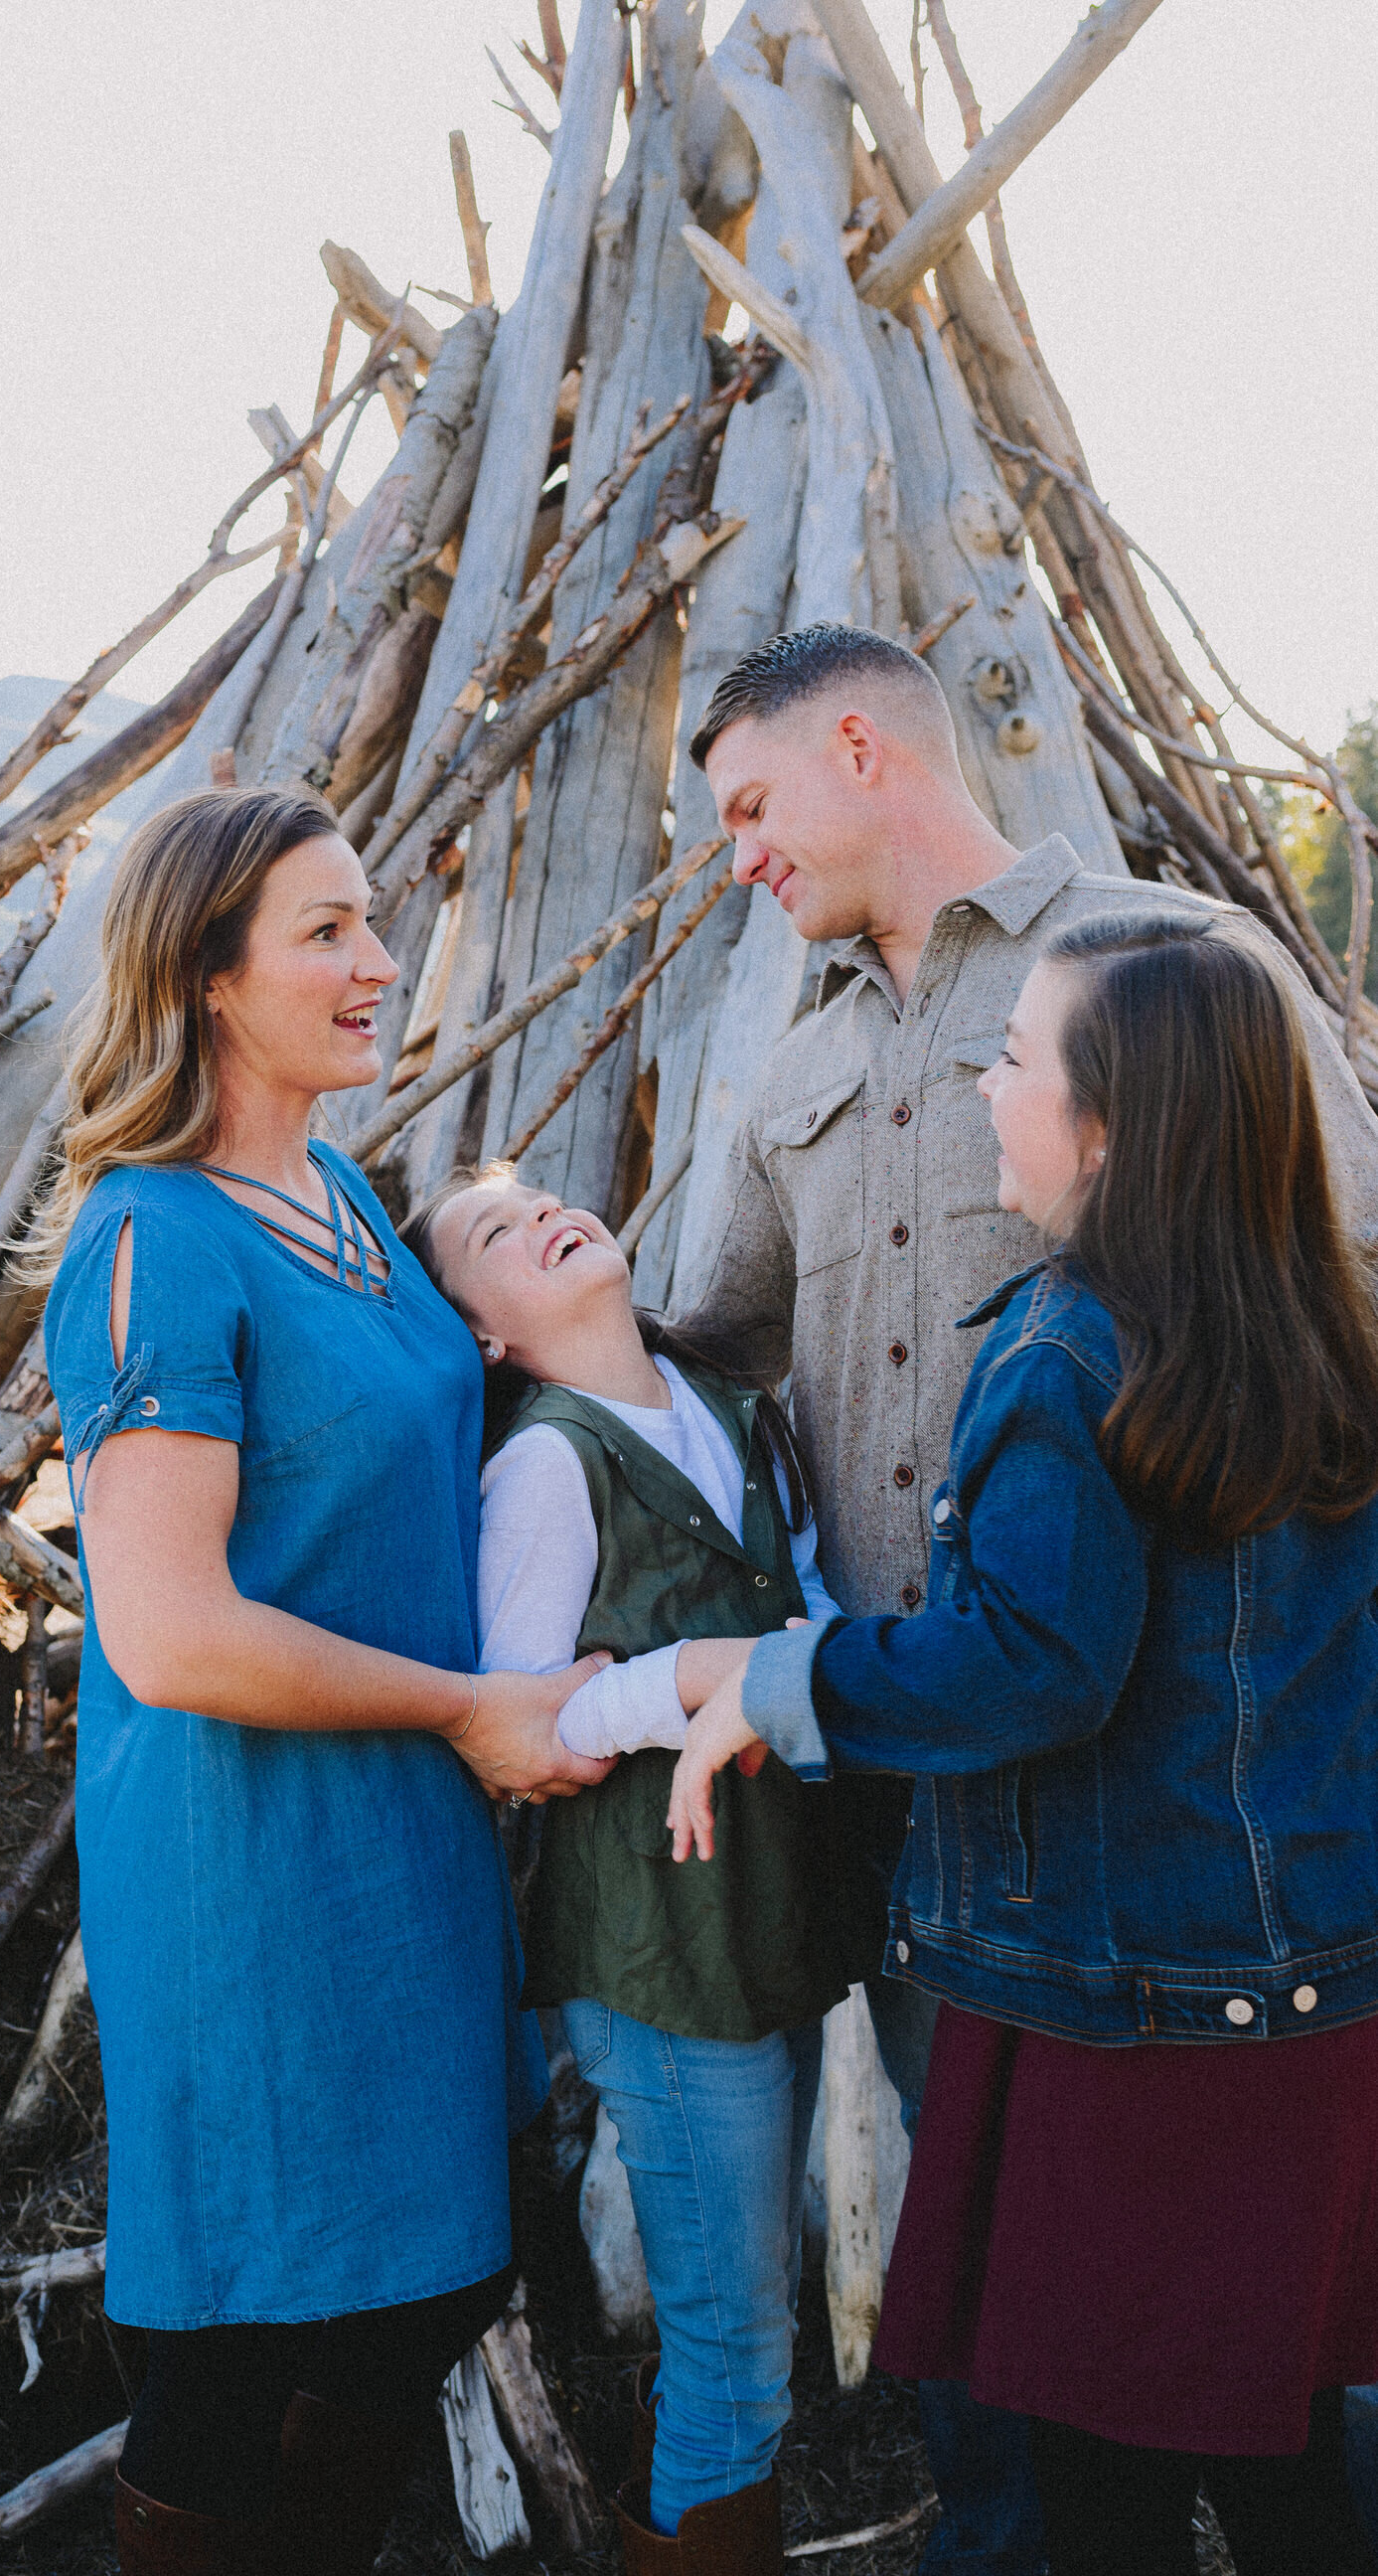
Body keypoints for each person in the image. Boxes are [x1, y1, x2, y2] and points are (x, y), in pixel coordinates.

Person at [673, 621, 1378, 2574]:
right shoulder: (792, 1056)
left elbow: (1344, 1273)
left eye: (748, 803)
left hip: (1179, 1800)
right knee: (1007, 2332)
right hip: (936, 1789)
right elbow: (699, 1333)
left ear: (856, 747)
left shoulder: (1160, 973)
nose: (735, 851)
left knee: (1215, 2348)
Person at [34, 787, 609, 2576]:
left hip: (400, 1844)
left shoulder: (343, 1195)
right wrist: (463, 1709)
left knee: (418, 2296)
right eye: (328, 933)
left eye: (373, 923)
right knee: (241, 2336)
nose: (378, 965)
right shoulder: (153, 1243)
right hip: (248, 1864)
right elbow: (168, 1631)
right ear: (208, 976)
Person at [402, 1162, 879, 2573]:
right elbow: (520, 1716)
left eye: (542, 1197)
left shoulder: (727, 1409)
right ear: (483, 1331)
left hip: (766, 1914)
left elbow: (803, 1611)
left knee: (740, 2328)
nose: (542, 1213)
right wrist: (700, 1680)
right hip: (660, 1952)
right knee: (737, 2345)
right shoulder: (548, 1461)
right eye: (495, 1231)